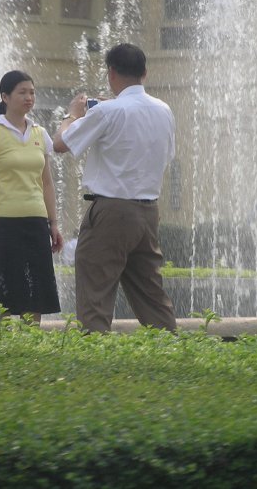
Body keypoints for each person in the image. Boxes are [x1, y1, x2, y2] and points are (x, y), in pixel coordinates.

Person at [52, 43, 177, 333]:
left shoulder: (106, 111)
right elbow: (166, 155)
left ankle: (95, 358)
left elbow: (60, 144)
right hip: (148, 212)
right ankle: (172, 353)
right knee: (151, 293)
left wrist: (73, 114)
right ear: (145, 73)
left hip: (111, 211)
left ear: (111, 73)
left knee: (95, 289)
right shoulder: (164, 110)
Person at [0, 70, 63, 323]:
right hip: (3, 222)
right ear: (5, 97)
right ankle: (3, 346)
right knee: (3, 289)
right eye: (22, 92)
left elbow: (47, 184)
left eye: (32, 92)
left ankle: (30, 345)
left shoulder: (39, 133)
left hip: (36, 222)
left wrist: (53, 223)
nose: (28, 97)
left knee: (36, 290)